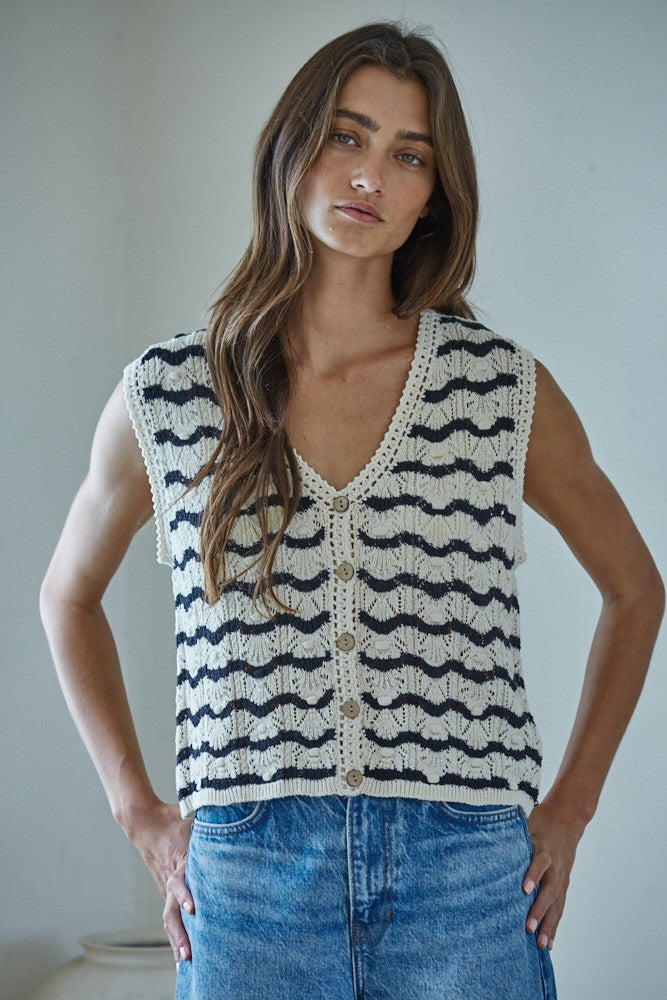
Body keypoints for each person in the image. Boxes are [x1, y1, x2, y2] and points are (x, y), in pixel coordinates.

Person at [39, 20, 663, 1000]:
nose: (371, 174)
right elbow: (66, 598)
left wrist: (571, 806)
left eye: (409, 155)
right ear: (290, 147)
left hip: (466, 872)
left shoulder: (498, 391)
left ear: (434, 194)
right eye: (346, 135)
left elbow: (634, 589)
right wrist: (138, 810)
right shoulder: (169, 393)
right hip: (248, 874)